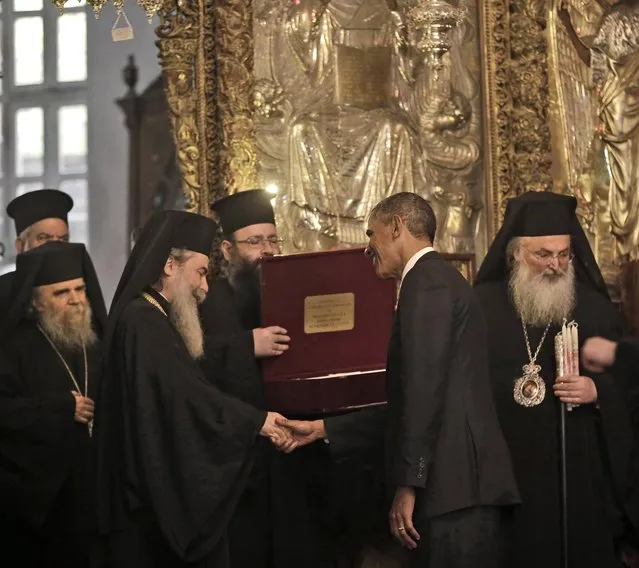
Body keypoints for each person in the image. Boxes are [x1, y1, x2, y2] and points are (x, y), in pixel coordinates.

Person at [283, 192, 520, 567]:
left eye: (370, 234)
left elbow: (424, 395)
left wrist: (409, 483)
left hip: (455, 490)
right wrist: (322, 428)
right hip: (459, 490)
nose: (367, 248)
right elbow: (413, 401)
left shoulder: (426, 283)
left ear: (396, 227)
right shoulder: (436, 280)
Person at [94, 210, 294, 568]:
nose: (205, 288)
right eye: (201, 273)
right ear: (170, 264)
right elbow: (184, 399)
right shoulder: (143, 321)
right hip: (145, 509)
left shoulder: (150, 316)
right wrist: (255, 421)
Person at [473, 190, 638, 568]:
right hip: (507, 470)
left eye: (564, 254)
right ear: (516, 252)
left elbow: (630, 386)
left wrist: (598, 391)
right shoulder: (481, 306)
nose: (556, 265)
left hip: (578, 473)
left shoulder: (595, 308)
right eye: (543, 255)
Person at [200, 189, 331, 568]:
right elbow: (193, 365)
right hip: (239, 463)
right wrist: (246, 344)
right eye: (254, 242)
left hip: (294, 452)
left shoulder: (293, 294)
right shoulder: (209, 300)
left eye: (273, 239)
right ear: (227, 250)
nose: (267, 250)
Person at [0, 241, 107, 568]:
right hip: (39, 505)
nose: (76, 300)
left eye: (80, 289)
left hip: (93, 492)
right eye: (61, 293)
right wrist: (60, 408)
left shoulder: (94, 342)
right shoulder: (13, 347)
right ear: (36, 302)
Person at [0, 189, 74, 317]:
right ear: (21, 245)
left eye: (63, 239)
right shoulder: (3, 291)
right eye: (44, 238)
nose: (55, 247)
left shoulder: (78, 289)